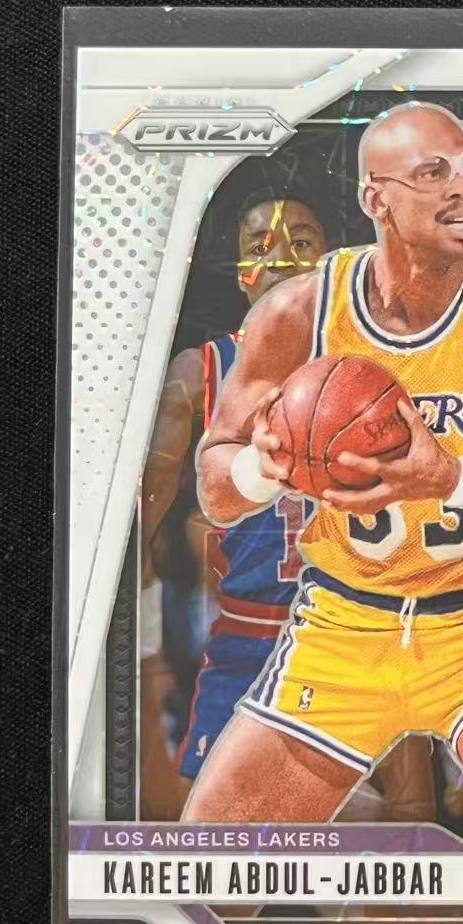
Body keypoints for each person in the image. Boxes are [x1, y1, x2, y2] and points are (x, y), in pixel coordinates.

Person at [183, 102, 463, 854]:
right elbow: (216, 489)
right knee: (209, 875)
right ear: (377, 199)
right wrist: (264, 468)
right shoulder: (300, 310)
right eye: (433, 173)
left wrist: (451, 477)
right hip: (343, 625)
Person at [137, 194, 328, 818]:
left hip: (355, 633)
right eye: (260, 247)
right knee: (205, 833)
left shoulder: (388, 364)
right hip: (247, 635)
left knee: (382, 835)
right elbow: (137, 532)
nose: (283, 258)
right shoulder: (198, 373)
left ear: (330, 263)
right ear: (241, 273)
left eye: (303, 241)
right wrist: (141, 645)